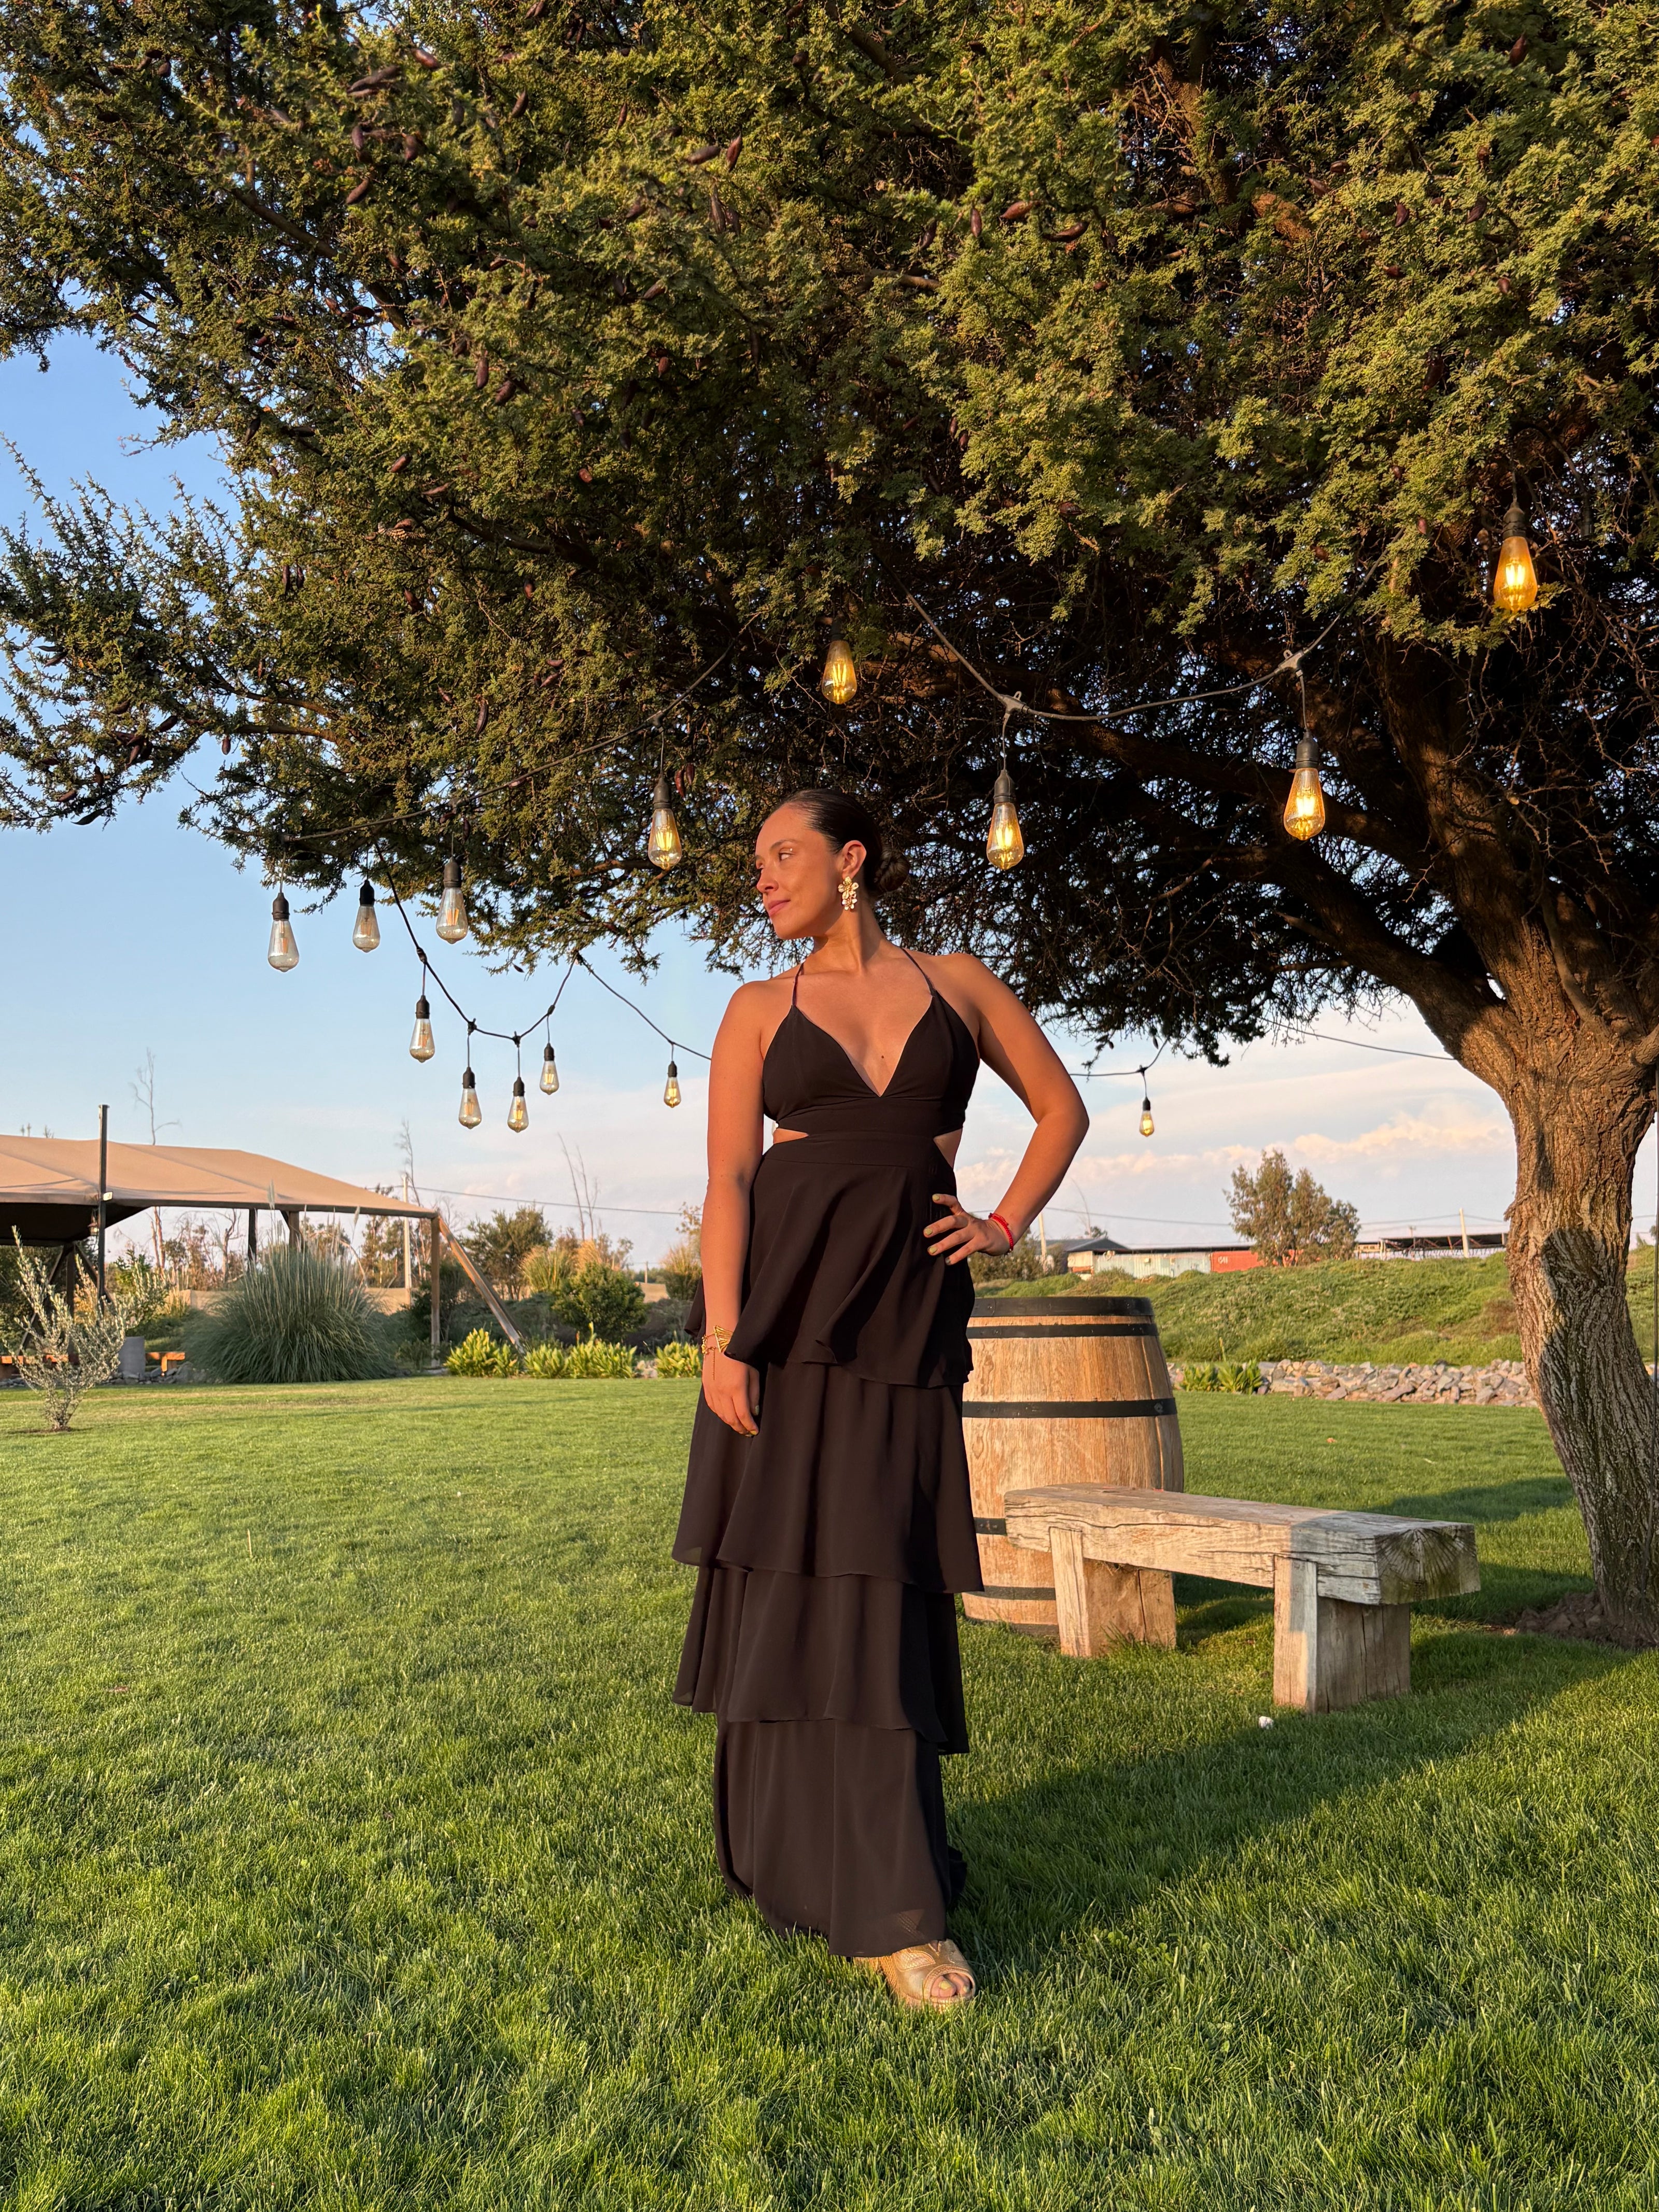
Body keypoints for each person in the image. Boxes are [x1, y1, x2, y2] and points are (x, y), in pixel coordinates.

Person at [673, 790, 1088, 2010]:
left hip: (904, 1324)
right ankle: (786, 1854)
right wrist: (722, 1336)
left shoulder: (958, 984)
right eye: (755, 862)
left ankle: (892, 1897)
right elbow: (729, 1178)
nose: (761, 878)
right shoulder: (756, 1009)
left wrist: (1002, 1221)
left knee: (883, 1584)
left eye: (781, 854)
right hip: (783, 1322)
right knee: (792, 1581)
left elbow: (1061, 1109)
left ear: (848, 859)